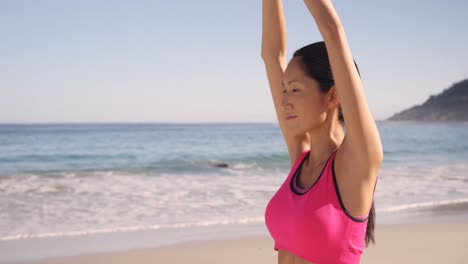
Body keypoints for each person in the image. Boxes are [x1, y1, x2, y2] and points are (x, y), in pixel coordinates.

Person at [262, 1, 383, 263]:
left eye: (294, 90)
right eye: (284, 90)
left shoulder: (357, 162)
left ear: (333, 95)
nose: (283, 102)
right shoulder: (301, 158)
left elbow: (332, 30)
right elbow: (272, 56)